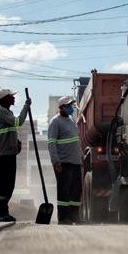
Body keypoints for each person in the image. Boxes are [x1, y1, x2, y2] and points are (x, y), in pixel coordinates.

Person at [0, 89, 31, 222]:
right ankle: (2, 212)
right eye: (11, 96)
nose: (14, 98)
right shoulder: (1, 112)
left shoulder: (7, 112)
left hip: (9, 153)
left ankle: (0, 211)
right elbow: (18, 122)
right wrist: (26, 107)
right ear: (4, 99)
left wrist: (16, 142)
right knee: (5, 184)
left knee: (9, 184)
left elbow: (10, 130)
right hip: (4, 155)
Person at [48, 96, 83, 224]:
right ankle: (63, 218)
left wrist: (81, 155)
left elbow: (75, 140)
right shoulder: (55, 122)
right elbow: (51, 143)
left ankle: (75, 216)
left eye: (71, 105)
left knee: (76, 190)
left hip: (75, 161)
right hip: (63, 162)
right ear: (61, 107)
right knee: (64, 190)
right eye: (68, 106)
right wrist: (55, 161)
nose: (70, 108)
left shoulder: (72, 120)